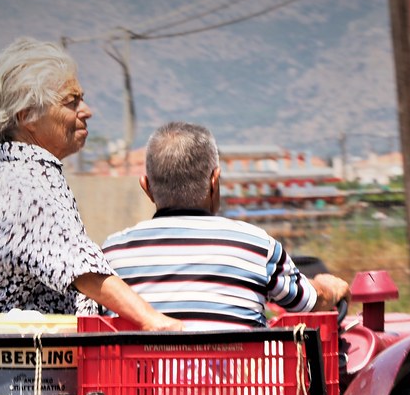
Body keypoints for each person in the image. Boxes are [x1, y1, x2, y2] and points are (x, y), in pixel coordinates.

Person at [0, 37, 182, 344]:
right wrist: (152, 319)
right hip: (14, 372)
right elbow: (81, 267)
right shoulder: (28, 185)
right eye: (71, 102)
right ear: (27, 116)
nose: (87, 111)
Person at [101, 121, 351, 330]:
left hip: (142, 390)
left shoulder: (110, 255)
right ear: (214, 180)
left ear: (146, 186)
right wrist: (328, 288)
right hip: (237, 390)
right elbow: (308, 302)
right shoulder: (256, 246)